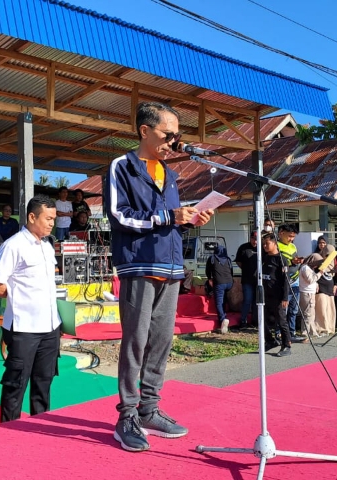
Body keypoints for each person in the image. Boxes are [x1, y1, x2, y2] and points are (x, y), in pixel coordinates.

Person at [105, 101, 213, 453]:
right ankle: (127, 416)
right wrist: (170, 217)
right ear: (144, 131)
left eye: (177, 136)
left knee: (162, 341)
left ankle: (150, 409)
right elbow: (120, 216)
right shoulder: (122, 166)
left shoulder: (170, 173)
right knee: (135, 341)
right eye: (168, 135)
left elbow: (169, 217)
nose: (173, 141)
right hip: (139, 265)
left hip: (171, 266)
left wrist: (191, 218)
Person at [0, 195, 62, 424]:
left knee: (44, 382)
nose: (51, 224)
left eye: (54, 219)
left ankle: (40, 428)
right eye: (47, 218)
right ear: (32, 217)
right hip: (23, 328)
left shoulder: (48, 246)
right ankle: (8, 431)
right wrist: (19, 296)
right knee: (15, 384)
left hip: (50, 327)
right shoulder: (14, 245)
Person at [260, 231, 292, 357]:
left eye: (267, 244)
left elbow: (285, 280)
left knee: (281, 321)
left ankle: (287, 345)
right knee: (263, 319)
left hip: (278, 296)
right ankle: (270, 341)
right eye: (263, 244)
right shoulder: (264, 258)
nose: (265, 246)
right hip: (265, 295)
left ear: (275, 244)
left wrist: (285, 297)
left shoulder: (281, 260)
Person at [277, 224, 306, 343]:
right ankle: (279, 334)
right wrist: (290, 262)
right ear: (281, 233)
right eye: (289, 236)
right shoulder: (275, 245)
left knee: (293, 309)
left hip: (295, 280)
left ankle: (292, 332)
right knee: (284, 309)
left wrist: (298, 261)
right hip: (284, 282)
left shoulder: (293, 246)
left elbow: (294, 259)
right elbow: (277, 263)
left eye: (293, 237)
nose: (291, 239)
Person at [205, 245, 233, 334]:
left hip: (219, 283)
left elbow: (207, 270)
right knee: (223, 301)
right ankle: (223, 316)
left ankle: (222, 319)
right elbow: (231, 270)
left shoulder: (212, 258)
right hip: (229, 282)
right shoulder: (228, 259)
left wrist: (209, 278)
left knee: (219, 302)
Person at [235, 230, 258, 328]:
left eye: (257, 239)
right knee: (247, 300)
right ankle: (243, 320)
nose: (255, 241)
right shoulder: (243, 247)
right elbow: (238, 261)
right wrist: (246, 269)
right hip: (247, 279)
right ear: (250, 238)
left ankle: (255, 320)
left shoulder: (262, 248)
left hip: (259, 280)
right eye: (253, 238)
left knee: (257, 301)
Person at [298, 253, 325, 338]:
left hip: (310, 292)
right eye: (317, 262)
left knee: (311, 313)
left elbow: (312, 280)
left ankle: (312, 332)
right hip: (306, 293)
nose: (317, 265)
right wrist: (320, 273)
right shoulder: (305, 268)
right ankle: (305, 333)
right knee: (307, 313)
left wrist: (316, 284)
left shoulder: (309, 268)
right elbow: (311, 279)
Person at [315, 238, 337, 336]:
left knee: (330, 309)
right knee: (321, 308)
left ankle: (330, 328)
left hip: (330, 286)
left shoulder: (334, 262)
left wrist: (336, 284)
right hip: (321, 287)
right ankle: (322, 329)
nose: (329, 257)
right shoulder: (317, 258)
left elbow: (336, 274)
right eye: (327, 255)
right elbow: (314, 273)